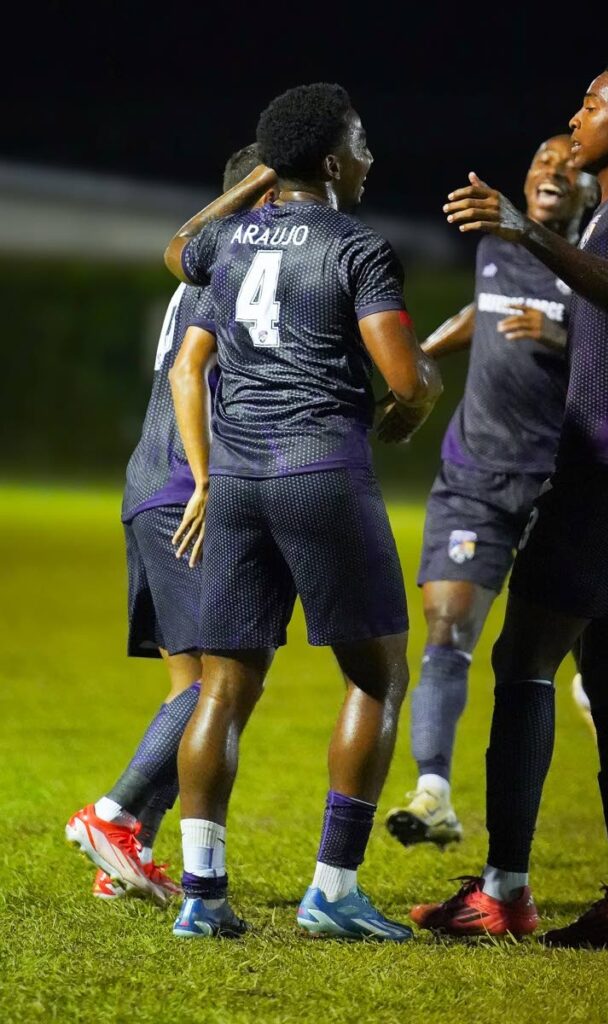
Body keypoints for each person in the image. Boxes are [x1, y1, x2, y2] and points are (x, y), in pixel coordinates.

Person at [413, 47, 608, 948]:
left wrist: (524, 230)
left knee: (522, 662)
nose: (574, 118)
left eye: (589, 104)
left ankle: (502, 892)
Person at [163, 83, 442, 940]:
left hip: (236, 483)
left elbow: (180, 259)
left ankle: (201, 896)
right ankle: (332, 890)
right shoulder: (357, 245)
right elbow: (402, 377)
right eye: (359, 142)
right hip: (320, 472)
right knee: (379, 675)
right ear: (329, 160)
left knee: (227, 685)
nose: (368, 157)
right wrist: (420, 395)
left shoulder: (228, 245)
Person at [64, 146, 265, 904]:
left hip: (149, 486)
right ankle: (114, 815)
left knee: (195, 690)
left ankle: (129, 852)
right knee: (224, 684)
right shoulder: (237, 271)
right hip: (187, 492)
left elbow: (180, 244)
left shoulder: (201, 269)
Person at [385, 136, 597, 848]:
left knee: (535, 656)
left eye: (571, 165)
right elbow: (483, 311)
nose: (552, 170)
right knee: (445, 631)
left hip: (559, 487)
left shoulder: (602, 270)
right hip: (473, 479)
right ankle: (434, 791)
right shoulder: (497, 246)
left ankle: (599, 675)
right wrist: (418, 357)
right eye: (541, 159)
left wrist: (566, 333)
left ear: (593, 192)